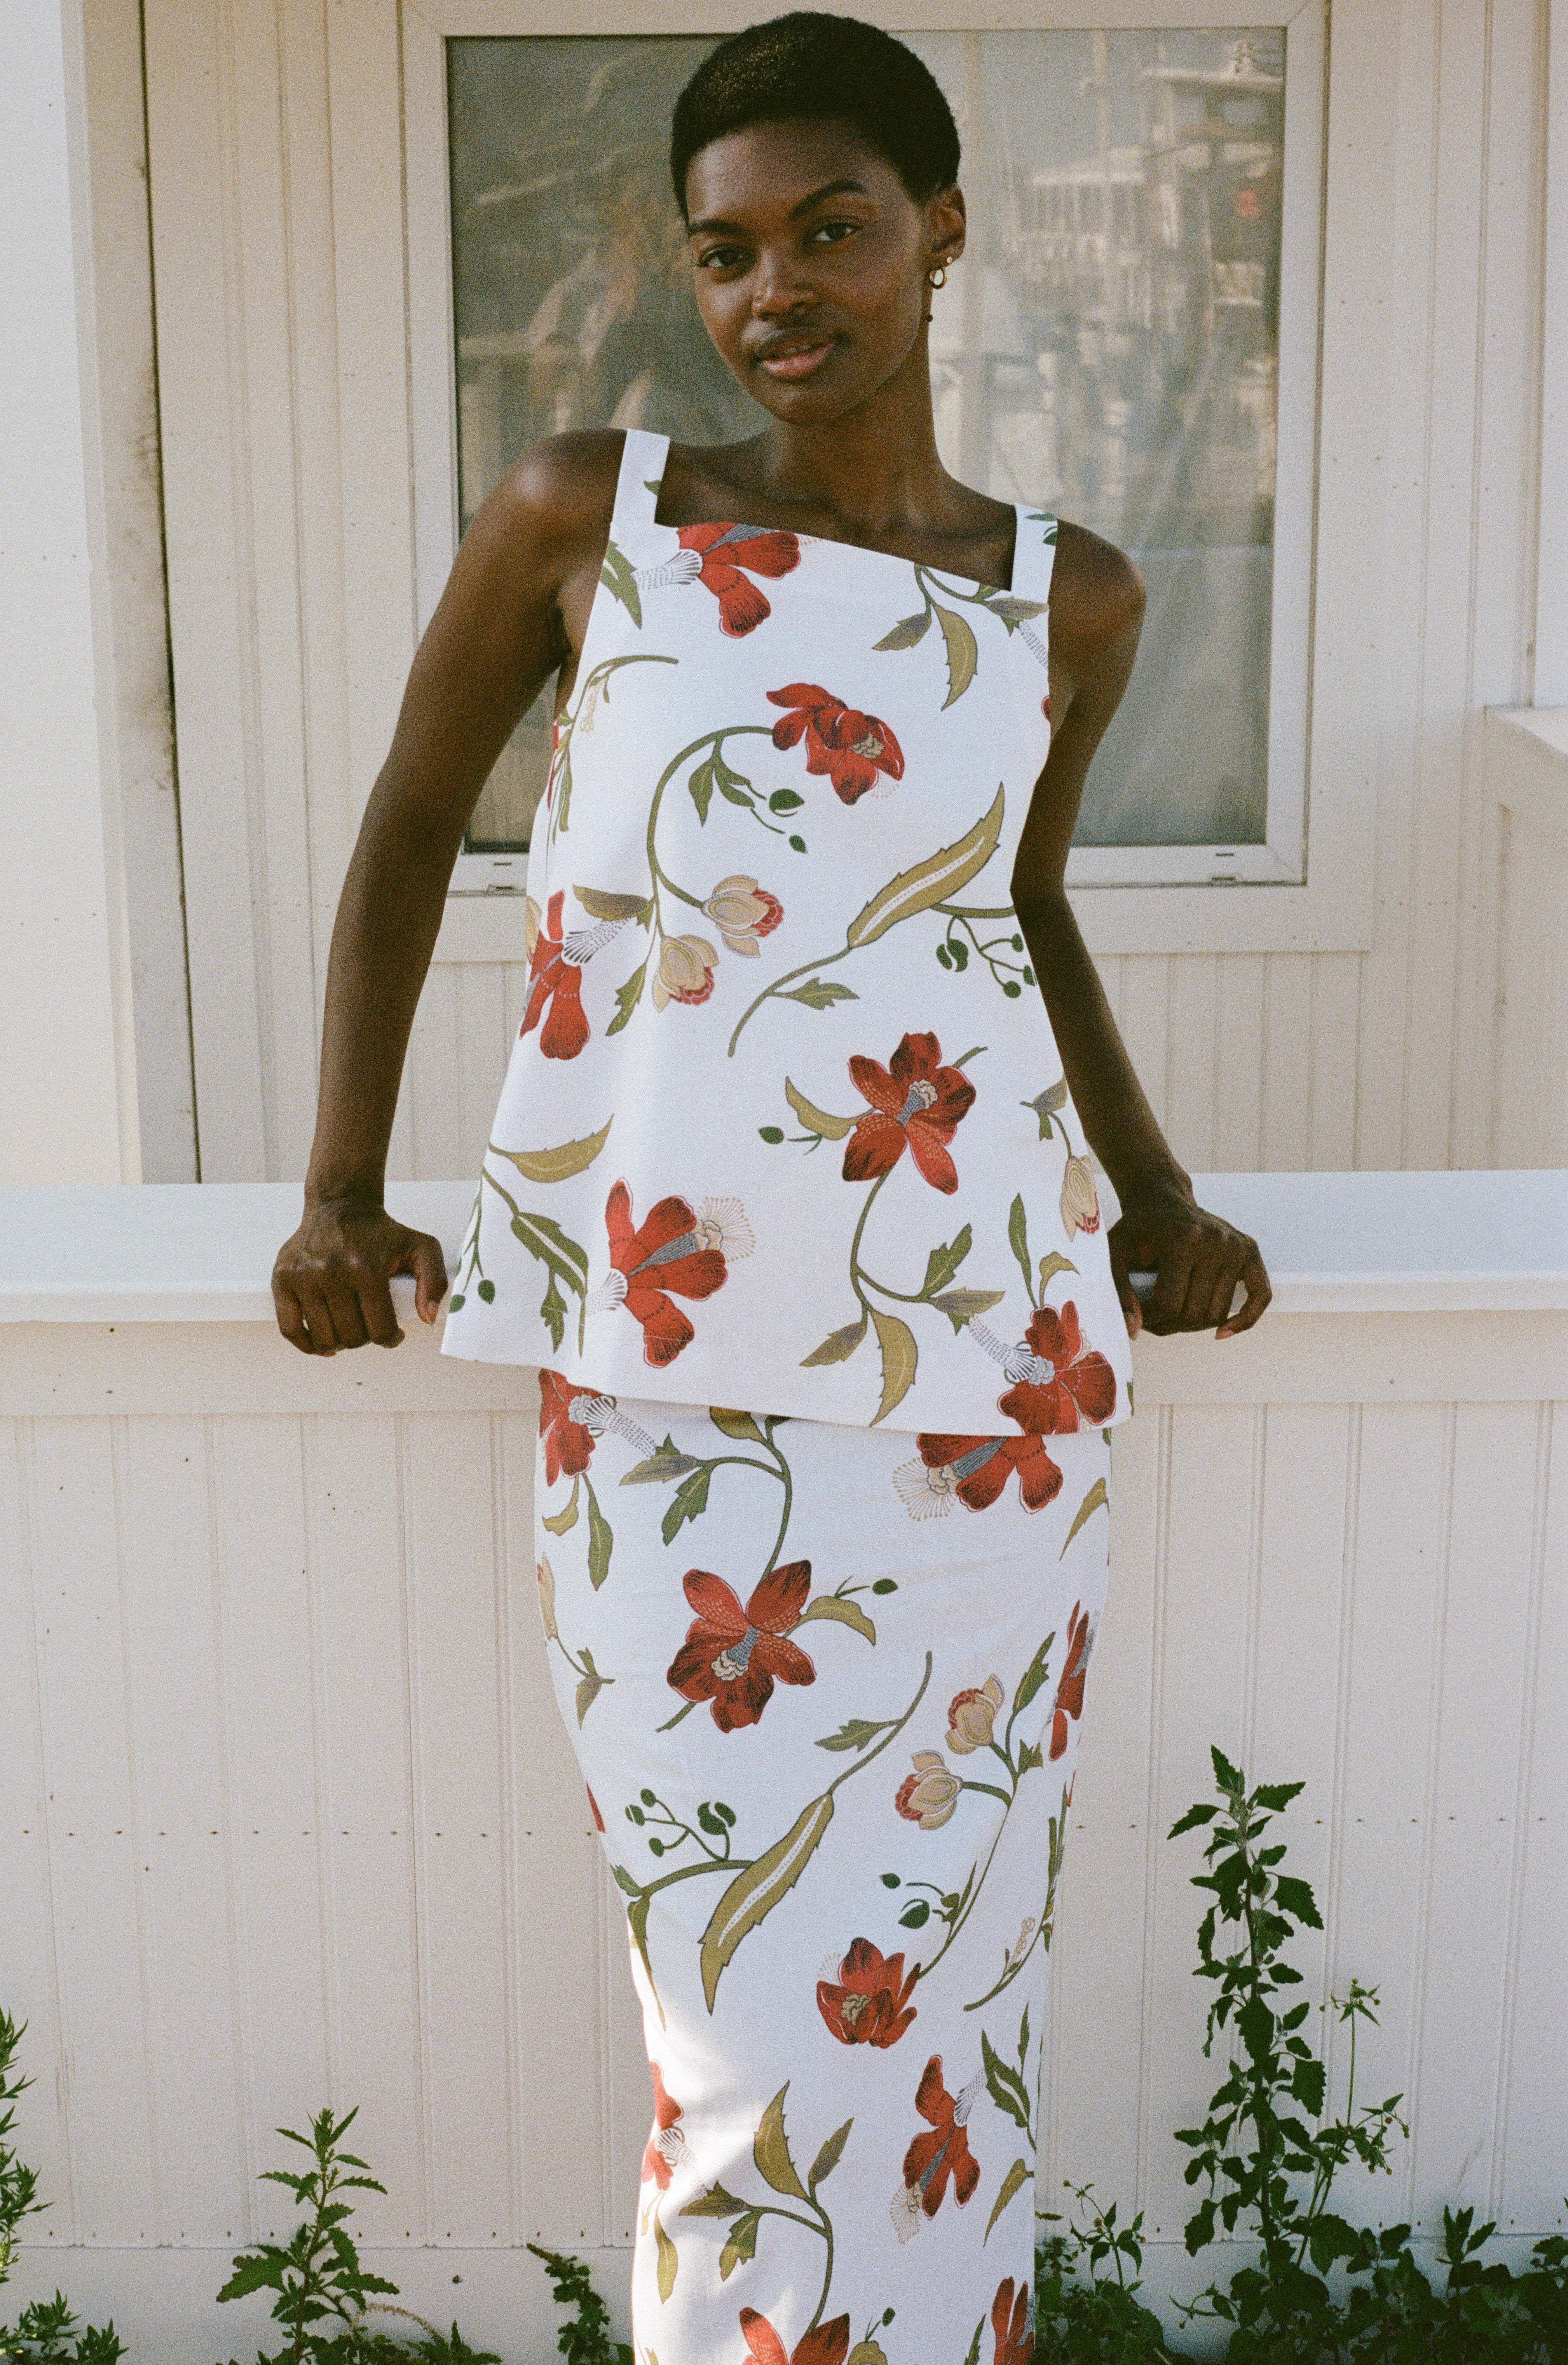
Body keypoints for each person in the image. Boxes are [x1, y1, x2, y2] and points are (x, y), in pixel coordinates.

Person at [273, 16, 1270, 2362]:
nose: (773, 286)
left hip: (985, 1382)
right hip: (656, 1379)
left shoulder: (1068, 596)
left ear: (943, 229)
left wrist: (1154, 1193)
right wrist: (338, 1187)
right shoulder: (583, 514)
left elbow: (1003, 914)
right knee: (738, 2024)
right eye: (724, 250)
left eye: (830, 226)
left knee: (946, 2000)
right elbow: (408, 834)